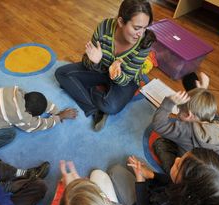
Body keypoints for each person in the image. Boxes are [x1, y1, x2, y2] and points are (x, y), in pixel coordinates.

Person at [55, 0, 156, 131]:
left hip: (126, 80)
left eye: (145, 28)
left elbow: (126, 79)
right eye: (137, 28)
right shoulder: (104, 27)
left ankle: (88, 91)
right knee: (61, 74)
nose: (141, 33)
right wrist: (95, 62)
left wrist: (116, 74)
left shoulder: (144, 43)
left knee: (111, 107)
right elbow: (87, 61)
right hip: (101, 69)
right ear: (120, 22)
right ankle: (95, 110)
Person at [151, 73, 219, 173]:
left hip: (188, 175)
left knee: (160, 143)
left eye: (179, 112)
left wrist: (169, 102)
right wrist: (203, 92)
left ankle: (173, 177)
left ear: (188, 115)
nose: (178, 115)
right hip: (211, 173)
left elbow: (159, 125)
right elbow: (210, 111)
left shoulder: (186, 130)